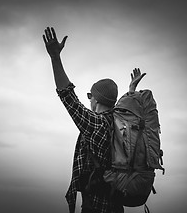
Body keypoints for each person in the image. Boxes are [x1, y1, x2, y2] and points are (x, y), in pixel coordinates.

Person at [42, 27, 145, 213]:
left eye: (90, 95)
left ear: (96, 99)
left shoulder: (96, 124)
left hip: (97, 207)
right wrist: (131, 91)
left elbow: (68, 97)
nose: (88, 99)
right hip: (115, 205)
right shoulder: (118, 123)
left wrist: (55, 57)